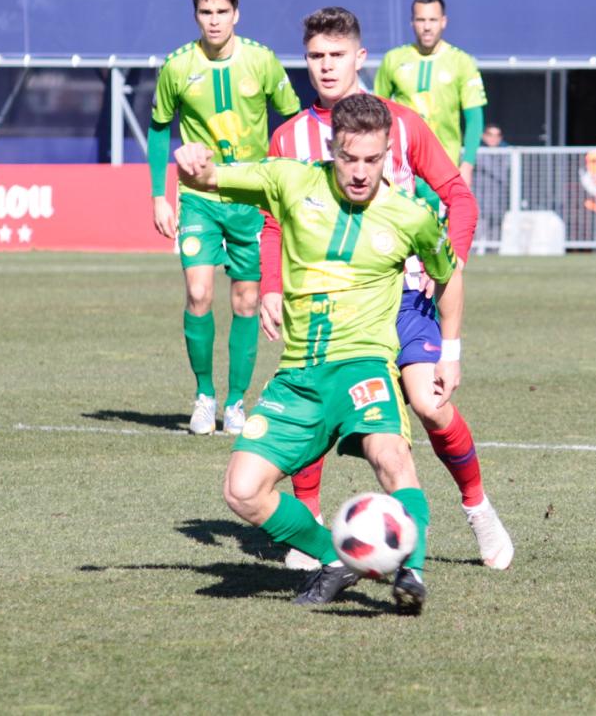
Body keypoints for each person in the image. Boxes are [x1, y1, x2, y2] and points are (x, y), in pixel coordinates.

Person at [175, 93, 463, 614]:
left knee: (391, 456)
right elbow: (207, 179)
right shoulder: (292, 180)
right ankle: (338, 557)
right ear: (332, 149)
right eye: (349, 158)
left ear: (387, 153)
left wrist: (451, 350)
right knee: (242, 491)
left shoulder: (411, 215)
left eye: (372, 160)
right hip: (298, 376)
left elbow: (449, 275)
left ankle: (411, 570)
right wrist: (191, 158)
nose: (359, 171)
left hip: (364, 366)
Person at [260, 7, 513, 573]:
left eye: (336, 55)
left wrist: (445, 264)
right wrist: (271, 285)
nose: (326, 67)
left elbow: (459, 196)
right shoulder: (289, 136)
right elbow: (274, 219)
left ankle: (478, 509)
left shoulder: (401, 123)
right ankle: (309, 525)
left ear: (359, 57)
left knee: (429, 402)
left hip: (400, 298)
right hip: (325, 304)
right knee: (316, 410)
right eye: (316, 56)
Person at [148, 0, 300, 435]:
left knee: (247, 301)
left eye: (221, 12)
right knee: (198, 293)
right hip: (198, 196)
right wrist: (159, 195)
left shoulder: (262, 61)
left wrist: (283, 182)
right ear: (195, 15)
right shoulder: (177, 66)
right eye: (205, 12)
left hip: (251, 198)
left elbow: (291, 120)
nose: (213, 21)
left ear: (236, 13)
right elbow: (159, 128)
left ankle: (236, 403)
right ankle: (204, 396)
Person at [375, 0, 486, 188]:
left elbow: (474, 118)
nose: (427, 27)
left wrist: (467, 166)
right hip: (401, 166)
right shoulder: (393, 59)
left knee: (442, 219)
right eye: (421, 20)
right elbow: (376, 112)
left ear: (443, 21)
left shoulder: (462, 62)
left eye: (433, 20)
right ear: (412, 22)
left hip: (445, 168)